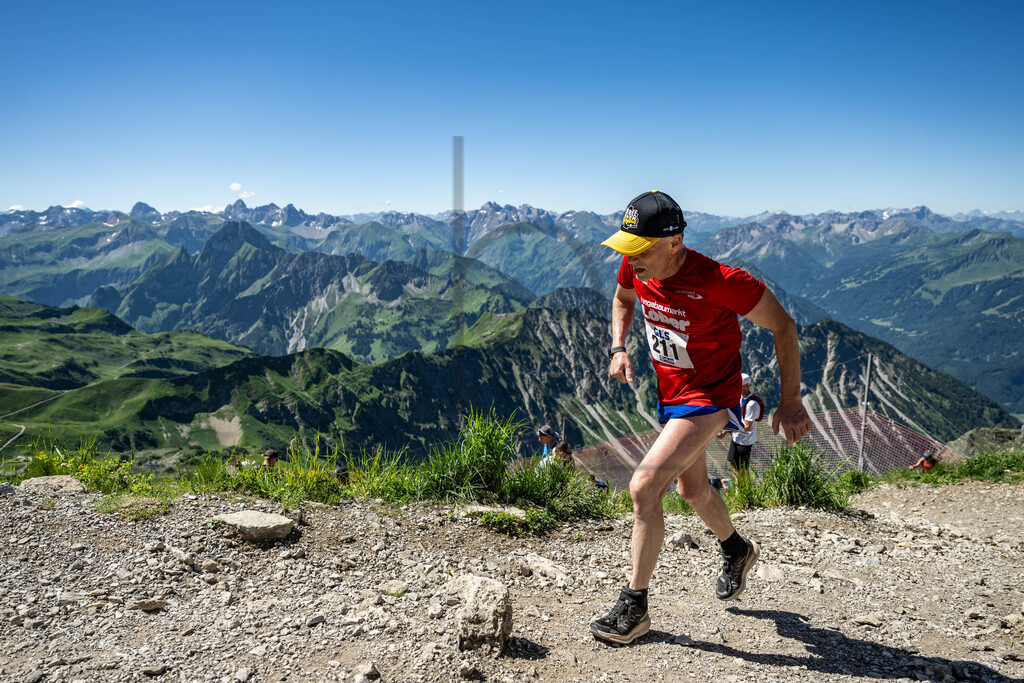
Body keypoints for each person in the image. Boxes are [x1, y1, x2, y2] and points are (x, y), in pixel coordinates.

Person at [590, 190, 811, 645]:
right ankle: (737, 549)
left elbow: (784, 325)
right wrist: (618, 347)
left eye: (641, 248)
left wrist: (790, 400)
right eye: (627, 247)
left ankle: (634, 606)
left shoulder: (721, 280)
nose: (631, 259)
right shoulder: (636, 265)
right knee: (691, 490)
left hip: (712, 397)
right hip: (672, 395)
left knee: (644, 488)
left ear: (675, 242)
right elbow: (623, 299)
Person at [716, 373, 763, 480]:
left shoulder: (752, 404)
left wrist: (728, 430)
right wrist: (726, 431)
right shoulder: (741, 398)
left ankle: (743, 488)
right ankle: (739, 487)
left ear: (746, 386)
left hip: (745, 441)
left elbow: (747, 427)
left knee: (742, 468)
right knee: (733, 463)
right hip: (737, 438)